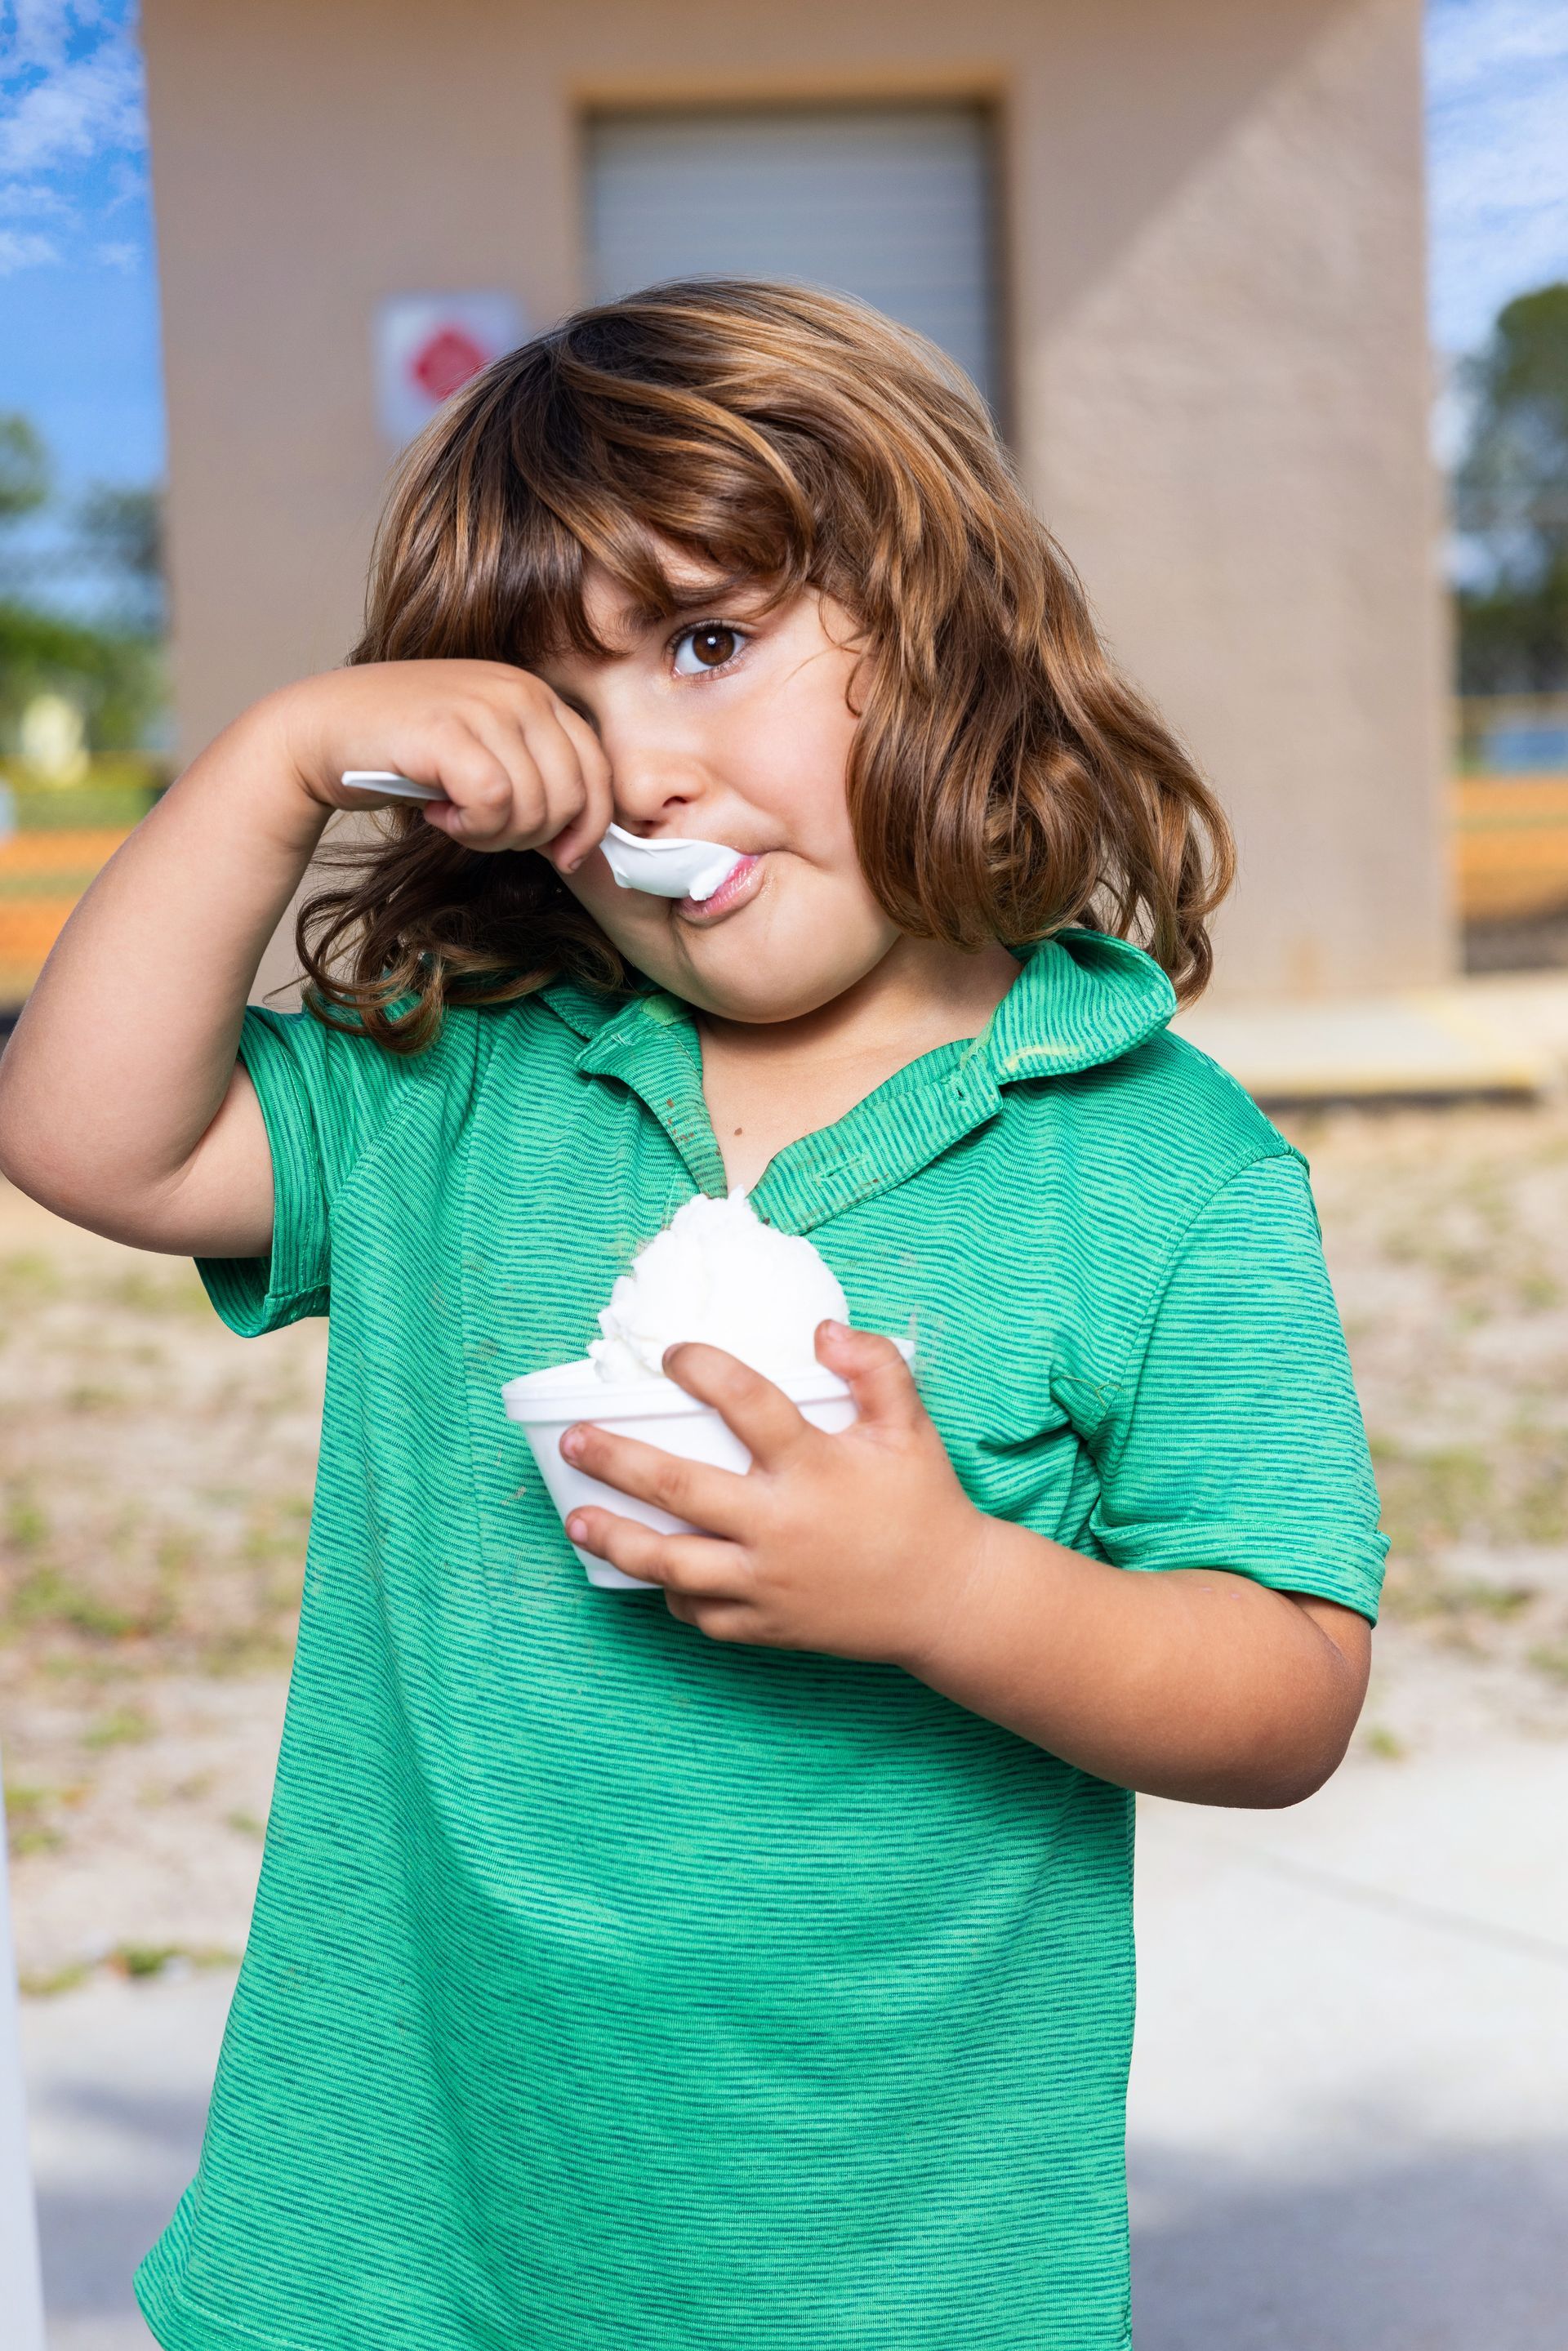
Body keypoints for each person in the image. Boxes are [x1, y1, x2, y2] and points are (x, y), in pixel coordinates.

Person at [0, 280, 1386, 2351]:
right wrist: (281, 761)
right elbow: (86, 1136)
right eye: (560, 704)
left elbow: (1290, 1689)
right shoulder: (460, 1079)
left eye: (712, 642)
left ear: (942, 633)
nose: (639, 762)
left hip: (879, 2277)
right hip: (394, 2248)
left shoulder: (1158, 1168)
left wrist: (946, 1592)